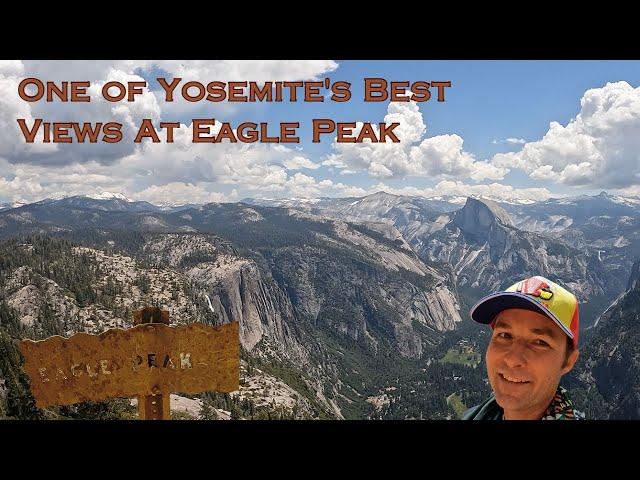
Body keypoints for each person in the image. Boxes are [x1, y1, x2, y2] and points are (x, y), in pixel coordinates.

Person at [463, 276, 584, 420]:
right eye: (505, 335)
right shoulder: (476, 415)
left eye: (540, 342)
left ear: (568, 361)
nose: (513, 359)